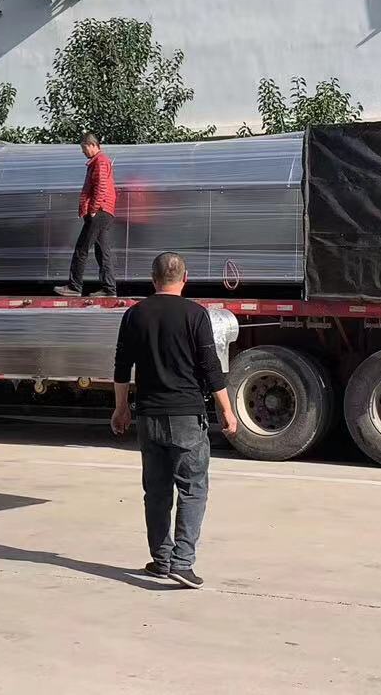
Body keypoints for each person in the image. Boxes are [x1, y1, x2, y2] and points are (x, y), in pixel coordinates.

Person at [111, 252, 239, 589]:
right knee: (193, 488)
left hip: (149, 416)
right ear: (185, 278)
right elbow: (210, 367)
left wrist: (121, 408)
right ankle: (182, 563)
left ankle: (162, 559)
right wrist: (227, 410)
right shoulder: (196, 314)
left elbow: (122, 367)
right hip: (186, 416)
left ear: (153, 279)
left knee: (156, 491)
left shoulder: (134, 314)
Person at [55, 132, 118, 298]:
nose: (83, 151)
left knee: (81, 249)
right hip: (104, 211)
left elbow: (101, 187)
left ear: (92, 145)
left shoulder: (100, 161)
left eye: (84, 148)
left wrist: (93, 209)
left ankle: (74, 287)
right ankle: (109, 289)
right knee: (102, 252)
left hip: (100, 211)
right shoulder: (99, 161)